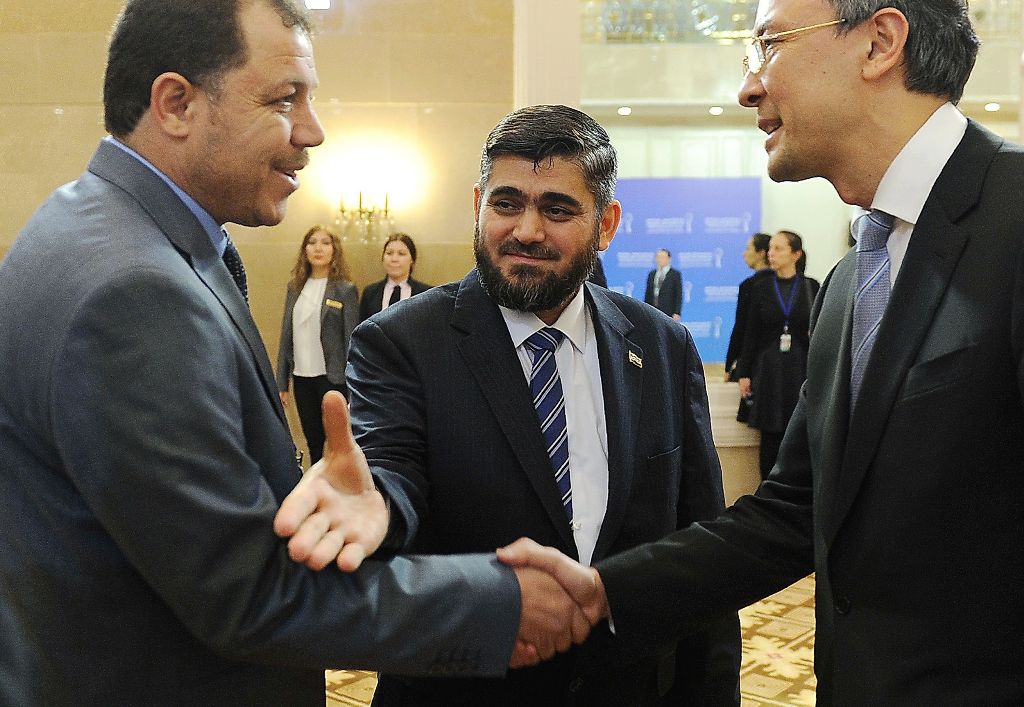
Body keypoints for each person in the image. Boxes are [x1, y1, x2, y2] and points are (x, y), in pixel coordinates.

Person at [0, 2, 588, 704]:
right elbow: (246, 593)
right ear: (176, 103)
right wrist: (500, 600)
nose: (312, 131)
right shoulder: (133, 292)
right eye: (285, 99)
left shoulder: (83, 218)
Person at [502, 0, 1024, 703]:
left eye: (767, 45)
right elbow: (791, 513)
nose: (747, 86)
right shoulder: (848, 282)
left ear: (879, 42)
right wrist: (602, 590)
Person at [346, 104, 740, 705]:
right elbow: (392, 475)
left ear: (606, 225)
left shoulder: (662, 345)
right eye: (506, 204)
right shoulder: (400, 343)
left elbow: (700, 549)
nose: (526, 230)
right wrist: (369, 505)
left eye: (556, 209)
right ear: (478, 203)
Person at [736, 231, 820, 477]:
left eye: (779, 249)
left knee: (799, 432)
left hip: (800, 367)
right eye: (770, 248)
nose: (771, 254)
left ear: (796, 254)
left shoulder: (811, 287)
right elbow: (750, 333)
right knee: (770, 437)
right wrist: (744, 373)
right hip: (769, 368)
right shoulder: (760, 286)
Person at [277, 224, 359, 463]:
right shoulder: (295, 288)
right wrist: (281, 381)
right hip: (302, 376)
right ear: (304, 250)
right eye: (312, 242)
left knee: (335, 441)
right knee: (312, 440)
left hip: (332, 377)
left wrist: (354, 384)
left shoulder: (344, 289)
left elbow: (352, 340)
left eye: (325, 242)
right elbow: (286, 337)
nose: (318, 248)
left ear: (335, 250)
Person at [724, 231, 771, 384]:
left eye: (748, 249)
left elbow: (742, 328)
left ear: (761, 253)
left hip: (753, 362)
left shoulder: (750, 286)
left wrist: (729, 364)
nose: (744, 254)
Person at [358, 232, 432, 322]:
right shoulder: (370, 293)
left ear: (412, 259)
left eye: (401, 254)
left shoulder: (426, 295)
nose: (394, 259)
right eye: (389, 253)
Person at [643, 248, 682, 320]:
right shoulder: (652, 274)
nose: (660, 259)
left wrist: (677, 312)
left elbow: (678, 294)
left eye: (663, 257)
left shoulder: (675, 274)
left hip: (668, 311)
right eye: (658, 257)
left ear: (669, 258)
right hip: (653, 310)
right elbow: (648, 293)